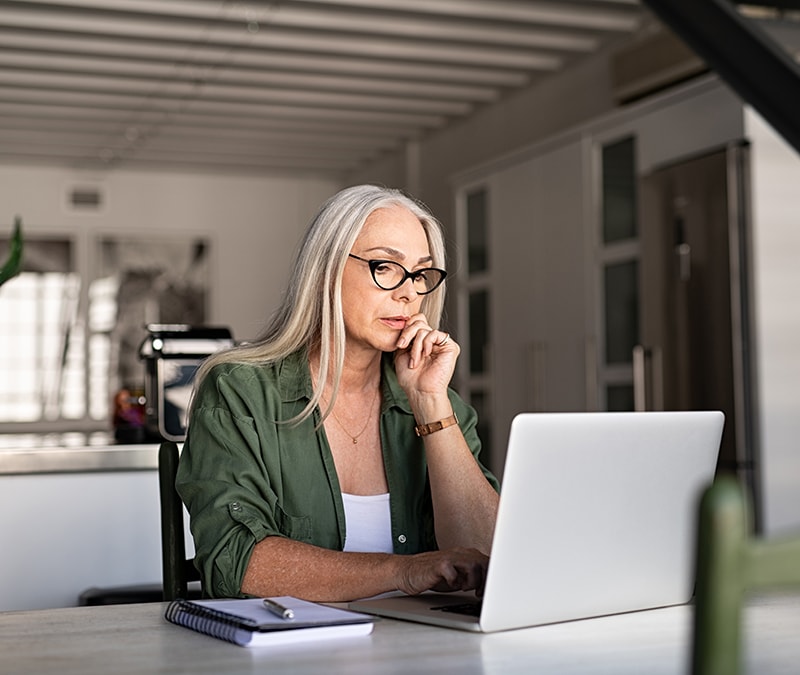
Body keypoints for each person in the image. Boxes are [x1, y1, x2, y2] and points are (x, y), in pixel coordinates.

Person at [176, 184, 499, 602]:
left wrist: (430, 404)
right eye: (385, 266)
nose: (409, 292)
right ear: (326, 269)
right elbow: (235, 562)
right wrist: (403, 571)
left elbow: (490, 558)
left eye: (420, 274)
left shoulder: (439, 404)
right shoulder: (240, 391)